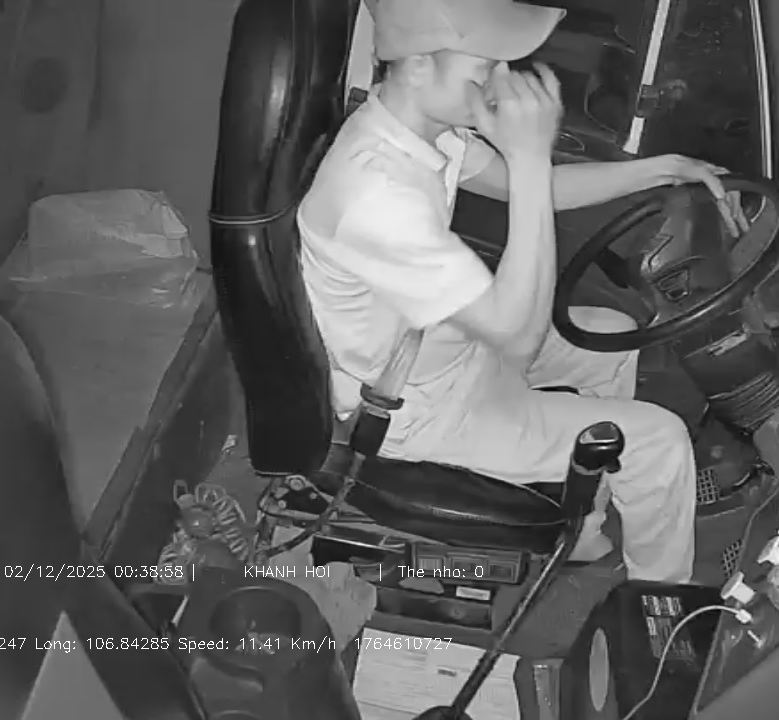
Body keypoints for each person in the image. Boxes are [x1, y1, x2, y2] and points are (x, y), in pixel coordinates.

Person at [298, 0, 741, 583]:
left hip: (446, 350)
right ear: (418, 64)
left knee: (611, 335)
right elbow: (517, 337)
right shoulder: (376, 195)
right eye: (485, 66)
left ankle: (583, 522)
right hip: (416, 408)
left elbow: (532, 187)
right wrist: (528, 153)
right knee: (660, 441)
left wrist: (667, 169)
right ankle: (660, 605)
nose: (500, 82)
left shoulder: (416, 129)